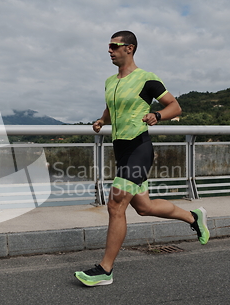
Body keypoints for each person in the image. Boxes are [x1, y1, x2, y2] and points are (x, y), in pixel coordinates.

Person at [74, 31, 209, 287]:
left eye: (115, 46)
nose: (110, 50)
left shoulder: (147, 79)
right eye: (109, 47)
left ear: (130, 48)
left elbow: (175, 106)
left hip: (139, 148)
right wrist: (103, 120)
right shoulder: (109, 81)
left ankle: (105, 269)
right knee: (144, 207)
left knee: (115, 205)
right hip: (121, 150)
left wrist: (157, 116)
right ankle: (193, 217)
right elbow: (111, 107)